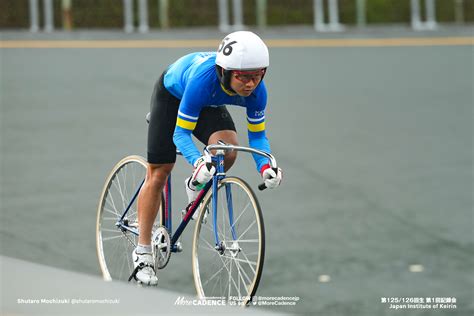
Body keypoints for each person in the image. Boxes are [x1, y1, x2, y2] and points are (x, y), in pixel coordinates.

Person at [131, 31, 283, 285]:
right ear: (224, 72)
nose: (250, 84)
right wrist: (198, 161)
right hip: (174, 96)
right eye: (243, 77)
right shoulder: (203, 81)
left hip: (208, 102)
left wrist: (266, 165)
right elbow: (181, 134)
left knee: (228, 149)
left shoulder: (258, 92)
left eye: (257, 76)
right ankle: (143, 251)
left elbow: (257, 139)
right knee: (160, 170)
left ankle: (196, 185)